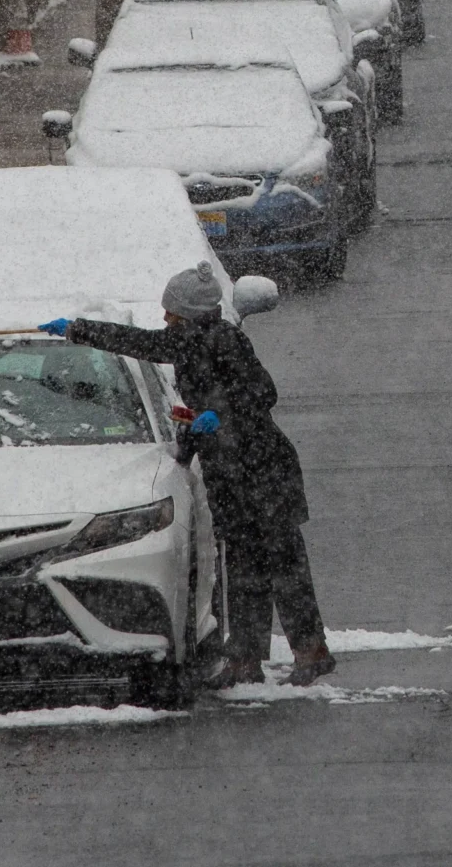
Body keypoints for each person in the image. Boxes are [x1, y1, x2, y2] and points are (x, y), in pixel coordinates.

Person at [41, 264, 334, 687]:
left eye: (170, 312)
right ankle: (246, 659)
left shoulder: (224, 339)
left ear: (188, 313)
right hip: (233, 473)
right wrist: (76, 330)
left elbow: (262, 391)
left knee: (284, 564)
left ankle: (311, 650)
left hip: (264, 470)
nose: (164, 320)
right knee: (246, 567)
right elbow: (140, 342)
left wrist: (219, 411)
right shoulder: (188, 341)